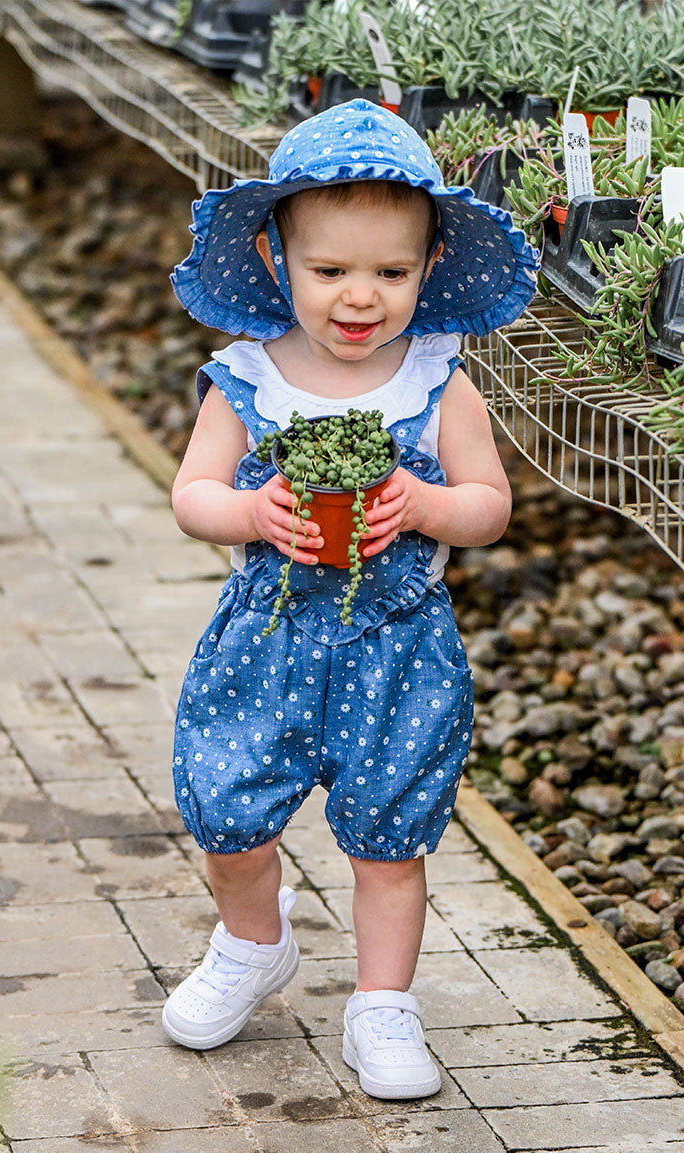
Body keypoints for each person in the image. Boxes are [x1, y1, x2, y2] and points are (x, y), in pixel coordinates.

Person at [161, 99, 537, 1100]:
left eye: (392, 273)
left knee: (390, 839)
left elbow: (489, 506)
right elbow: (193, 495)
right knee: (231, 817)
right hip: (267, 639)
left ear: (430, 268)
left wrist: (424, 502)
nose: (360, 298)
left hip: (398, 646)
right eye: (331, 271)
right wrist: (251, 517)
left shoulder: (440, 383)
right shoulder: (245, 380)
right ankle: (253, 942)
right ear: (279, 261)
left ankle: (382, 1005)